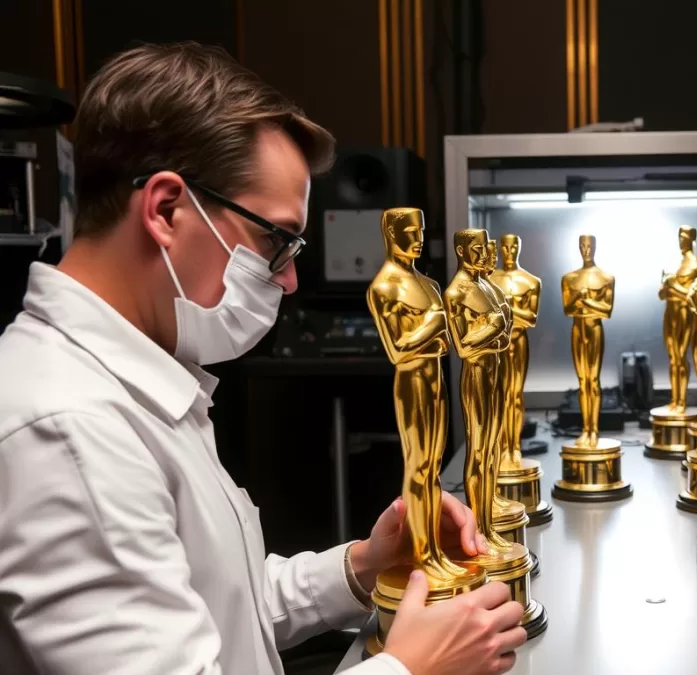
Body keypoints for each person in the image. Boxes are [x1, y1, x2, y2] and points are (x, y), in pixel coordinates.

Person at [0, 43, 526, 675]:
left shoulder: (138, 383)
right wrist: (409, 669)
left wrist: (362, 565)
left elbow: (215, 605)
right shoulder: (68, 428)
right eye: (276, 240)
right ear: (167, 210)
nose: (291, 280)